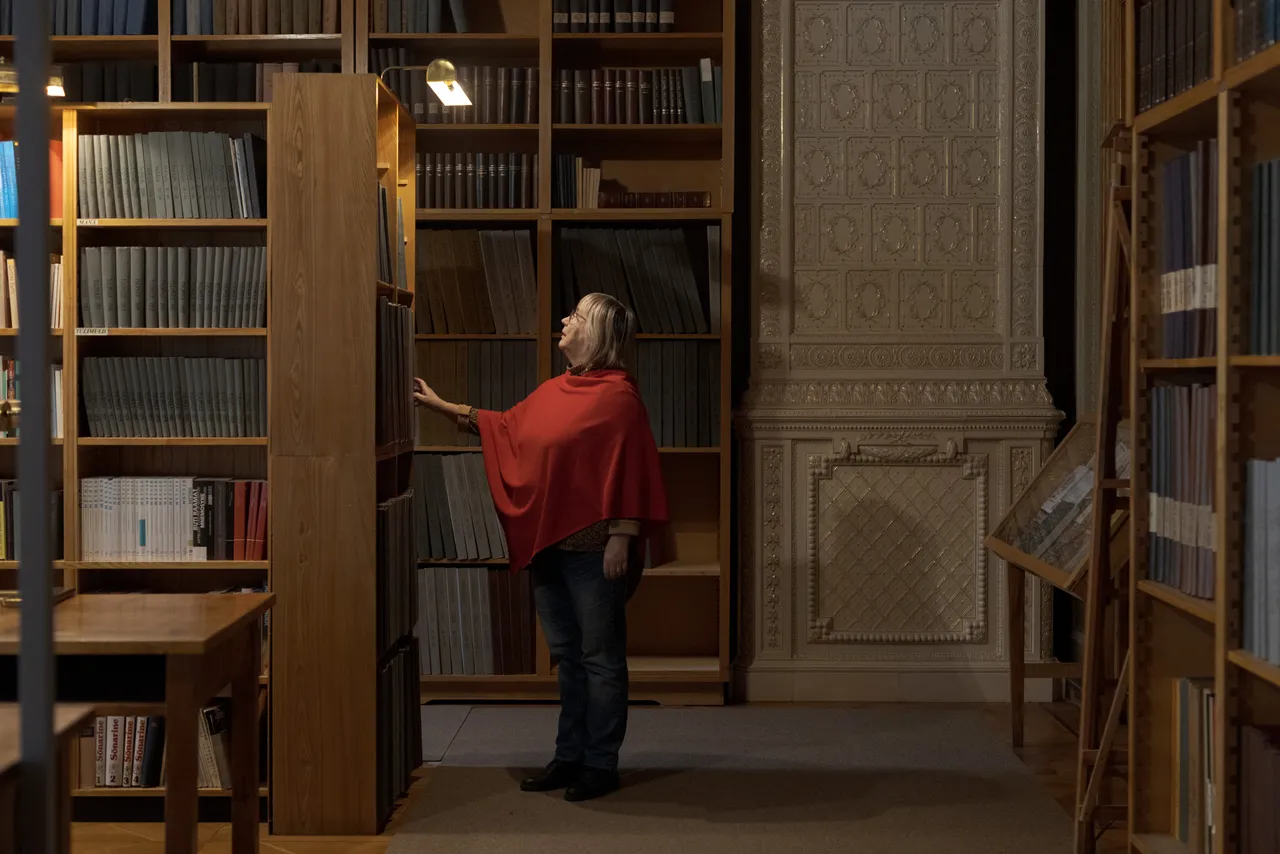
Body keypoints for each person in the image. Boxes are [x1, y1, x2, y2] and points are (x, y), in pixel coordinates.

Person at [413, 292, 669, 802]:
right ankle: (568, 755)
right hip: (547, 548)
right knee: (569, 659)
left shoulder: (620, 399)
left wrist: (623, 536)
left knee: (601, 659)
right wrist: (443, 406)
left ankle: (600, 763)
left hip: (596, 553)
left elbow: (634, 470)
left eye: (575, 316)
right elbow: (508, 428)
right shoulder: (556, 389)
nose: (564, 320)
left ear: (597, 334)